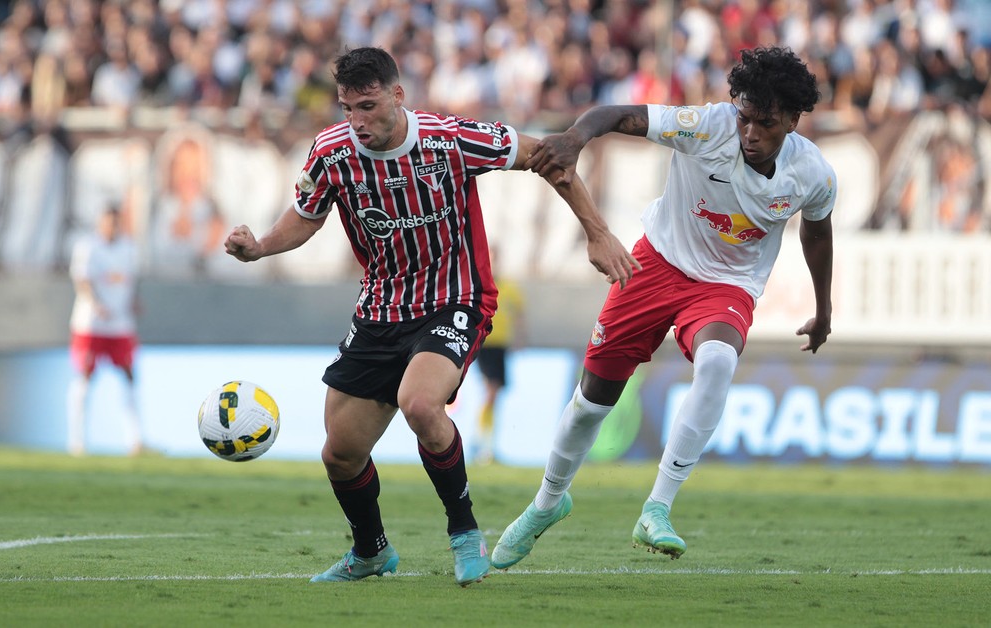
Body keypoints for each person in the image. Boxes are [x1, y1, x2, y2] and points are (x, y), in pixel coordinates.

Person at [223, 46, 639, 587]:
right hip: (379, 309)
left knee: (419, 403)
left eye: (368, 106)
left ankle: (465, 534)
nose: (357, 121)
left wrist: (597, 232)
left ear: (398, 95)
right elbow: (307, 216)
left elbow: (549, 157)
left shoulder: (450, 140)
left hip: (456, 299)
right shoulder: (331, 152)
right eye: (348, 108)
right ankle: (370, 551)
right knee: (340, 452)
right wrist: (261, 248)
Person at [491, 46, 835, 569]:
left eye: (764, 123)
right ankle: (546, 503)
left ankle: (657, 507)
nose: (749, 133)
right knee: (592, 404)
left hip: (727, 284)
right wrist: (576, 137)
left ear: (792, 119)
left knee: (718, 363)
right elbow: (619, 115)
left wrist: (824, 308)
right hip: (657, 263)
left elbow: (817, 232)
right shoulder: (707, 125)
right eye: (744, 118)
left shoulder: (813, 173)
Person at [67, 204, 144, 457]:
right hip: (91, 324)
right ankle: (77, 441)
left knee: (129, 374)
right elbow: (82, 280)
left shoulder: (129, 248)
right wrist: (96, 304)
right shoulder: (87, 247)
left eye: (117, 222)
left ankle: (135, 441)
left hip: (120, 324)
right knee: (86, 375)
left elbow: (129, 281)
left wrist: (133, 301)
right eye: (109, 222)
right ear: (101, 223)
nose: (113, 227)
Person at [472, 249, 526, 464]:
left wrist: (520, 338)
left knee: (494, 395)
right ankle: (482, 444)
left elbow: (519, 314)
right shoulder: (477, 285)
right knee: (491, 392)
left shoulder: (509, 287)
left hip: (500, 346)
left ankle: (486, 444)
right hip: (484, 343)